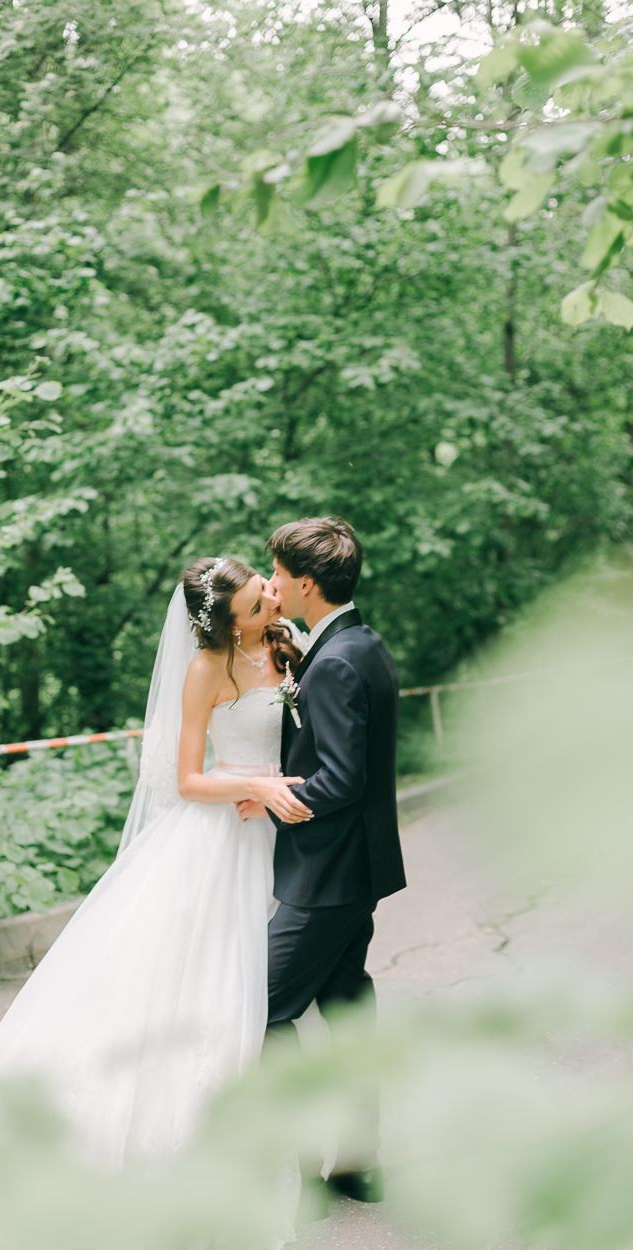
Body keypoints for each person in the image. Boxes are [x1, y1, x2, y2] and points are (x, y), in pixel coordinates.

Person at [0, 557, 310, 1182]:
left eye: (265, 590)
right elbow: (187, 780)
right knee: (211, 974)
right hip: (224, 831)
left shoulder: (290, 644)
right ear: (231, 626)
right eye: (257, 608)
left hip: (277, 823)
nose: (271, 603)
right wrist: (256, 785)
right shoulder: (207, 668)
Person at [237, 516, 406, 1206]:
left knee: (260, 1008)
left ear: (306, 583)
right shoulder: (359, 643)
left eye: (277, 573)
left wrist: (271, 797)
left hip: (327, 874)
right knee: (345, 1008)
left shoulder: (333, 662)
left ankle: (302, 1167)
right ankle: (358, 1163)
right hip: (356, 867)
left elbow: (340, 778)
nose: (271, 583)